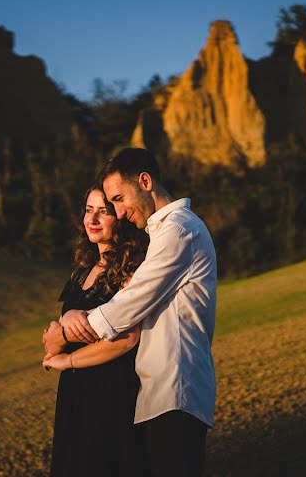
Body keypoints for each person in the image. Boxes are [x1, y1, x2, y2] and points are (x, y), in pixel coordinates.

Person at [45, 147, 218, 476]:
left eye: (119, 199)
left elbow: (130, 304)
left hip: (176, 389)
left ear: (145, 181)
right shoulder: (164, 233)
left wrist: (65, 334)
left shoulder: (178, 231)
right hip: (159, 393)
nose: (120, 212)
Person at [42, 184, 149, 476]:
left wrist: (67, 360)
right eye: (89, 211)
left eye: (104, 212)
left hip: (111, 392)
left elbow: (126, 339)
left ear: (120, 219)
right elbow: (59, 334)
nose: (93, 219)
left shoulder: (132, 271)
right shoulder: (81, 272)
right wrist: (60, 328)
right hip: (75, 391)